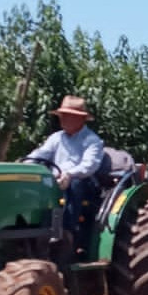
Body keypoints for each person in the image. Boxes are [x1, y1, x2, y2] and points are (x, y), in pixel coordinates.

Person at [27, 95, 105, 254]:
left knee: (74, 183)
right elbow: (41, 154)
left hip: (84, 182)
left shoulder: (92, 140)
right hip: (57, 180)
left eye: (69, 116)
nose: (63, 119)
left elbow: (89, 166)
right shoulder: (56, 138)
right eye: (63, 116)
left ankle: (66, 232)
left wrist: (69, 174)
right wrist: (25, 165)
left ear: (80, 119)